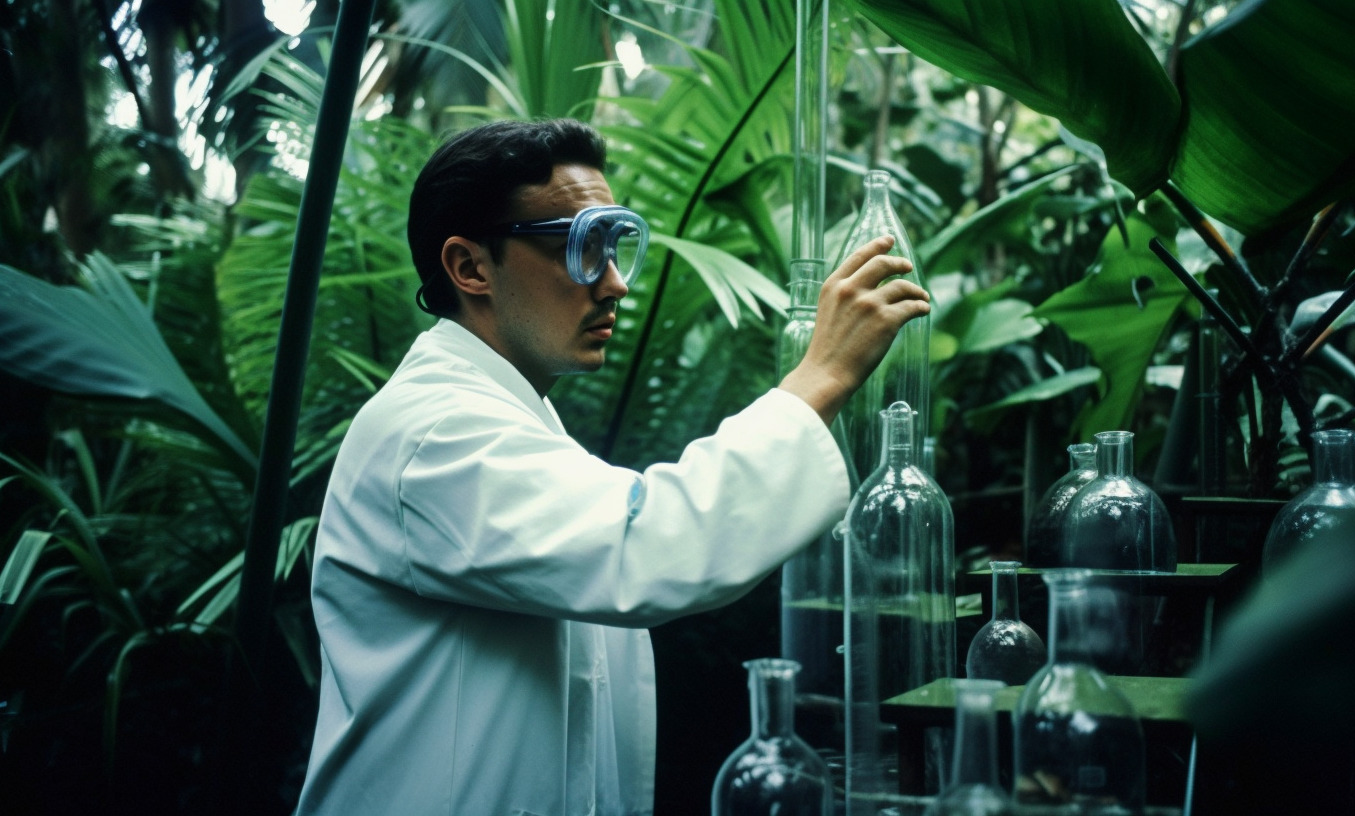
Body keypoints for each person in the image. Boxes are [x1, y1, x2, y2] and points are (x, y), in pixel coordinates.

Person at [294, 118, 929, 816]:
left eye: (616, 245)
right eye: (582, 247)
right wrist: (823, 374)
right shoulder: (434, 432)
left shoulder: (511, 419)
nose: (616, 284)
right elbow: (648, 543)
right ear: (471, 267)